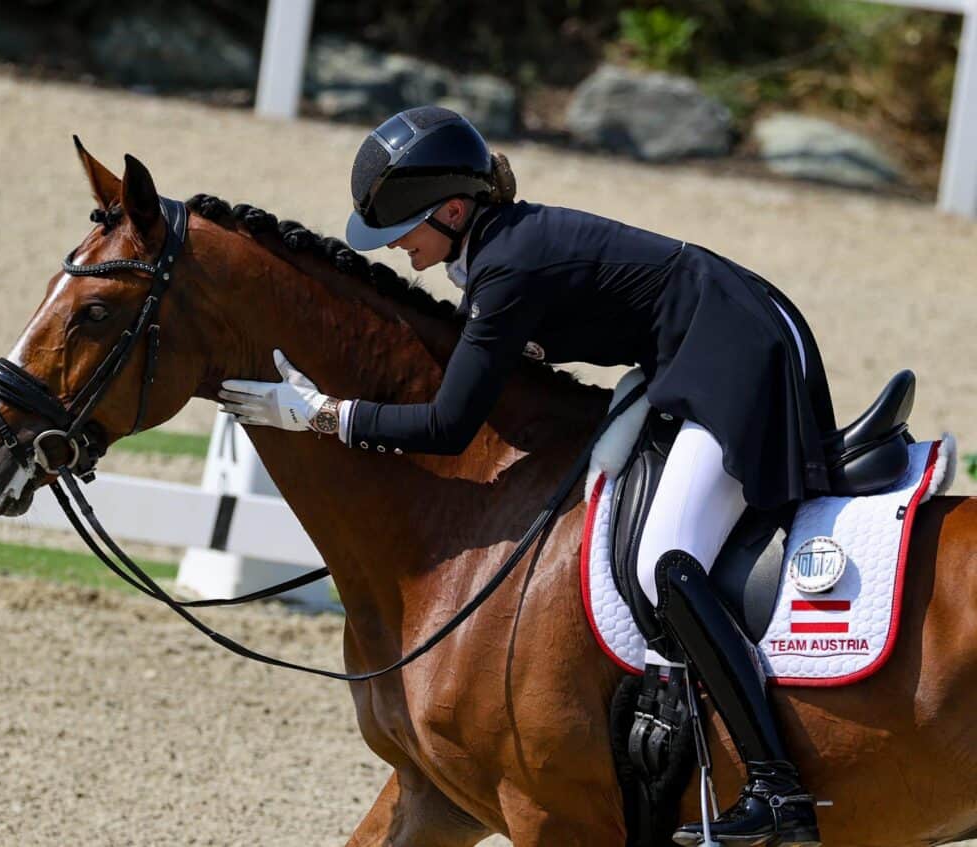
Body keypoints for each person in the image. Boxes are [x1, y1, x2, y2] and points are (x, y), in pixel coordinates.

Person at [218, 106, 835, 847]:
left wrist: (327, 414)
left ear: (453, 210)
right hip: (692, 352)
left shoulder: (507, 264)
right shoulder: (496, 252)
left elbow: (449, 426)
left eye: (404, 229)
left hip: (737, 358)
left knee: (666, 559)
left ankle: (777, 787)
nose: (398, 248)